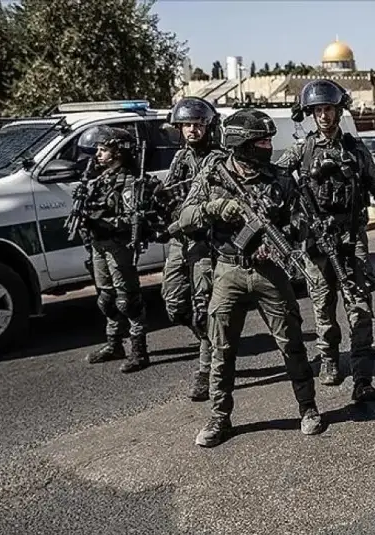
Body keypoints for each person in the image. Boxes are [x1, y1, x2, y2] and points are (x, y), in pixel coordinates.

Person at [179, 109, 324, 447]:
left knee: (291, 342)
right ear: (240, 143)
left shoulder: (280, 179)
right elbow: (185, 218)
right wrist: (216, 208)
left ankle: (308, 408)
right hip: (228, 270)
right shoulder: (213, 175)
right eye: (261, 141)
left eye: (269, 141)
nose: (268, 147)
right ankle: (220, 417)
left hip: (269, 273)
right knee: (221, 348)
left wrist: (285, 238)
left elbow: (301, 223)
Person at [277, 79, 375, 401]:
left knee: (359, 307)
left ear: (338, 111)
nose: (324, 115)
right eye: (318, 110)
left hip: (351, 239)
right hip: (316, 242)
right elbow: (275, 180)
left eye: (329, 109)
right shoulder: (302, 150)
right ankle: (329, 359)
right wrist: (291, 218)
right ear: (311, 113)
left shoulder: (355, 150)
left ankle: (363, 378)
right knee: (323, 306)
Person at [159, 97, 224, 401]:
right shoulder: (180, 159)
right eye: (186, 125)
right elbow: (171, 194)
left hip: (205, 241)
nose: (192, 130)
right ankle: (213, 340)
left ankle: (206, 370)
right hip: (180, 240)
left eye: (197, 124)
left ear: (208, 127)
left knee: (203, 306)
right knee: (174, 303)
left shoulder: (218, 159)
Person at [76, 126, 152, 373]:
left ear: (118, 153)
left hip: (117, 245)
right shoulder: (99, 179)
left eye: (103, 150)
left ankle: (139, 351)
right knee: (106, 297)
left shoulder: (128, 183)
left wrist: (103, 221)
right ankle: (114, 344)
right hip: (98, 244)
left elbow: (133, 218)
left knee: (127, 300)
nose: (98, 155)